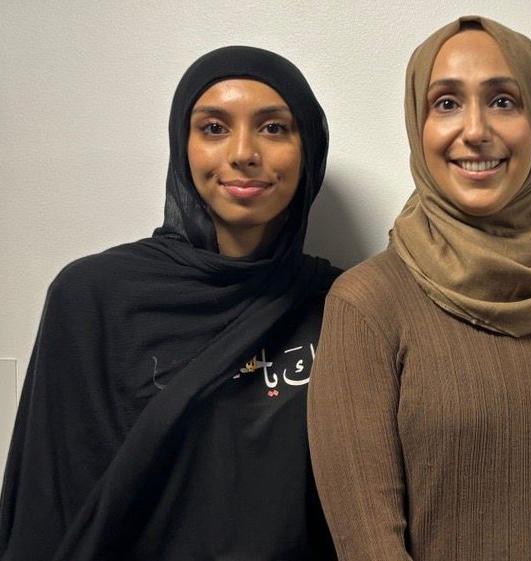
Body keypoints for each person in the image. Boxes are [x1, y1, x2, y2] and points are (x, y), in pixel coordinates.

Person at [308, 16, 531, 561]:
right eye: (446, 103)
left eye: (503, 101)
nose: (475, 130)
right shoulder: (366, 303)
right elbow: (369, 544)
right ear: (416, 125)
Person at [0, 46, 339, 560]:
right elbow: (49, 507)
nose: (243, 151)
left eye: (274, 128)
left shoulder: (342, 306)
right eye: (213, 128)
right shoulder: (95, 298)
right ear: (183, 148)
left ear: (308, 149)